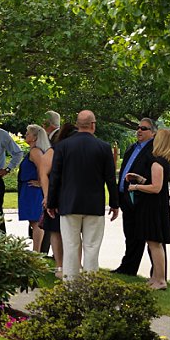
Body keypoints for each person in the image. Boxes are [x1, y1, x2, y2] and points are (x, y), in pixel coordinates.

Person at [46, 110, 119, 279]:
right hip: (94, 204)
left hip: (69, 203)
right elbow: (110, 178)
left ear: (78, 125)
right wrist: (114, 203)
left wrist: (51, 202)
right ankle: (90, 286)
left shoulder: (63, 146)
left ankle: (71, 286)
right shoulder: (103, 147)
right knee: (92, 247)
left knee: (70, 246)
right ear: (93, 125)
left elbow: (55, 176)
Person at [126, 129, 170, 290]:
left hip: (153, 207)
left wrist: (136, 186)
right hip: (159, 206)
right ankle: (155, 277)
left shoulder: (156, 162)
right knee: (154, 242)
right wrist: (140, 178)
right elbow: (156, 182)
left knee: (154, 243)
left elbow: (156, 187)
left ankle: (160, 279)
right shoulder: (165, 161)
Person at [113, 118, 157, 275]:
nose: (139, 130)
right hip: (126, 198)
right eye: (138, 127)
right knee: (130, 236)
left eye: (143, 128)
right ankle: (128, 268)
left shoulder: (155, 150)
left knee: (150, 238)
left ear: (153, 132)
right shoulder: (132, 148)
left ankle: (158, 273)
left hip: (142, 199)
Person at [39, 123, 77, 275]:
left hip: (70, 196)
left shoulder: (72, 153)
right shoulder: (53, 152)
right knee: (55, 231)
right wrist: (48, 196)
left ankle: (72, 265)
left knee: (70, 232)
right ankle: (60, 265)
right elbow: (43, 175)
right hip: (55, 196)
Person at [19, 125, 49, 254]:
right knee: (33, 221)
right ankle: (36, 250)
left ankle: (36, 251)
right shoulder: (32, 151)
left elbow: (43, 167)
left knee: (36, 222)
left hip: (33, 190)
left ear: (35, 137)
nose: (26, 135)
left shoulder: (35, 152)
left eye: (28, 133)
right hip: (27, 189)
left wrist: (40, 183)